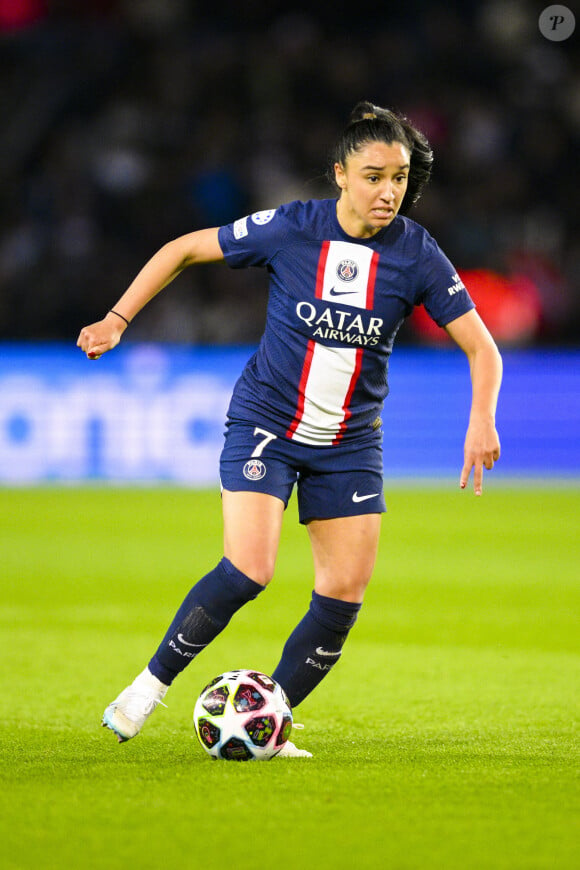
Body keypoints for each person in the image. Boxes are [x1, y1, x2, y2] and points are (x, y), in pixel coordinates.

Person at [77, 101, 502, 758]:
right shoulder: (292, 227)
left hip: (350, 444)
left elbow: (483, 348)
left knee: (341, 597)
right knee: (250, 568)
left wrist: (481, 420)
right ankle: (148, 685)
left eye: (399, 177)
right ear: (340, 174)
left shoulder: (418, 253)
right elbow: (184, 248)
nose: (388, 190)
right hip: (267, 424)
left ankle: (265, 722)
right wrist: (117, 319)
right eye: (373, 175)